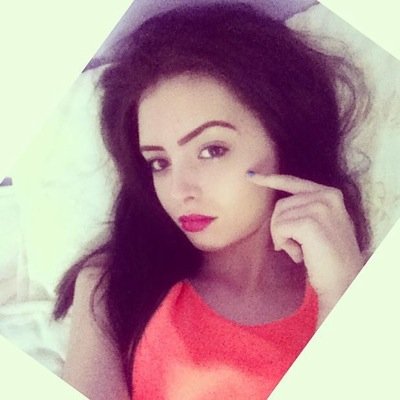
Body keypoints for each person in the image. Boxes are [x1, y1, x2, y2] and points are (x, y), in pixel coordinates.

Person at [53, 2, 371, 399]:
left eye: (211, 150)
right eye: (159, 162)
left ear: (283, 136)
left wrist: (343, 296)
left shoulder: (352, 284)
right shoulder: (115, 285)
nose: (179, 190)